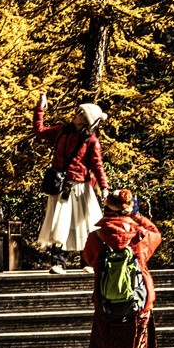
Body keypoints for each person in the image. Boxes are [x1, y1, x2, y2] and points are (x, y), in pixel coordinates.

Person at [80, 189, 162, 348]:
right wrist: (137, 216)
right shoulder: (141, 235)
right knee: (134, 347)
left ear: (106, 208)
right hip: (138, 300)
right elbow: (157, 234)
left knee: (100, 346)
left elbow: (88, 258)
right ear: (129, 208)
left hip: (105, 300)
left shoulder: (96, 236)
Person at [32, 93, 109, 273]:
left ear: (87, 119)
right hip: (61, 185)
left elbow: (97, 165)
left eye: (80, 113)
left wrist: (104, 186)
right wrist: (40, 108)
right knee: (59, 224)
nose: (75, 114)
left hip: (81, 188)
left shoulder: (91, 141)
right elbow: (39, 131)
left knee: (85, 225)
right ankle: (58, 263)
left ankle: (87, 263)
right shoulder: (61, 131)